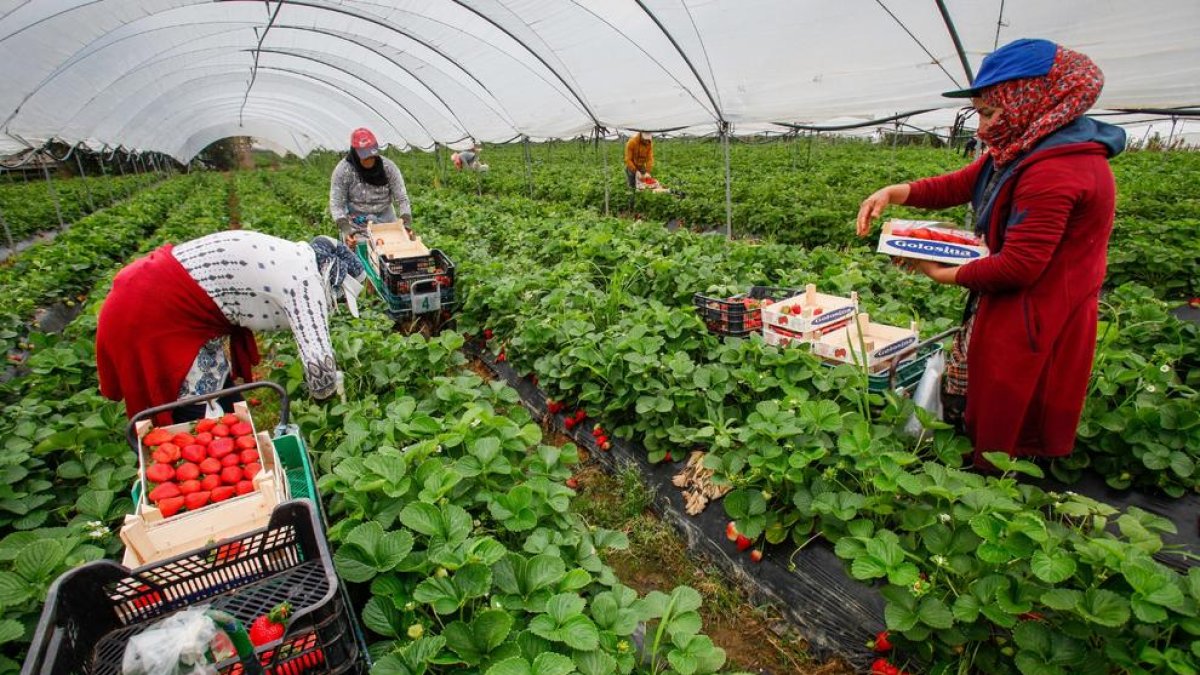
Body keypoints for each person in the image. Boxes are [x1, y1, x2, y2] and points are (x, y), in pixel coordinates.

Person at [855, 38, 1125, 470]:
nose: (981, 128)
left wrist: (941, 273)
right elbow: (961, 182)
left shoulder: (1057, 169)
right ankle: (975, 458)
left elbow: (1019, 265)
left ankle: (993, 488)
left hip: (1039, 309)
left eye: (989, 112)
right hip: (1012, 301)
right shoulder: (1025, 147)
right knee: (984, 385)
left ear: (1031, 100)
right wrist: (895, 192)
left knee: (1012, 403)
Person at [96, 231, 367, 425]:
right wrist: (337, 411)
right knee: (197, 403)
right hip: (152, 309)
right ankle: (205, 462)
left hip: (153, 290)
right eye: (341, 298)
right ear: (332, 279)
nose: (338, 305)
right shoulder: (306, 281)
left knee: (219, 388)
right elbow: (319, 369)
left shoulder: (297, 256)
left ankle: (232, 438)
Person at [329, 127, 412, 242]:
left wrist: (405, 222)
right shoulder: (343, 171)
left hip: (387, 225)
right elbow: (337, 205)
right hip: (357, 227)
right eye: (365, 157)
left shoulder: (388, 168)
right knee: (361, 256)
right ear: (355, 154)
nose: (370, 161)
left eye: (372, 156)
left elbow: (402, 199)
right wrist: (346, 229)